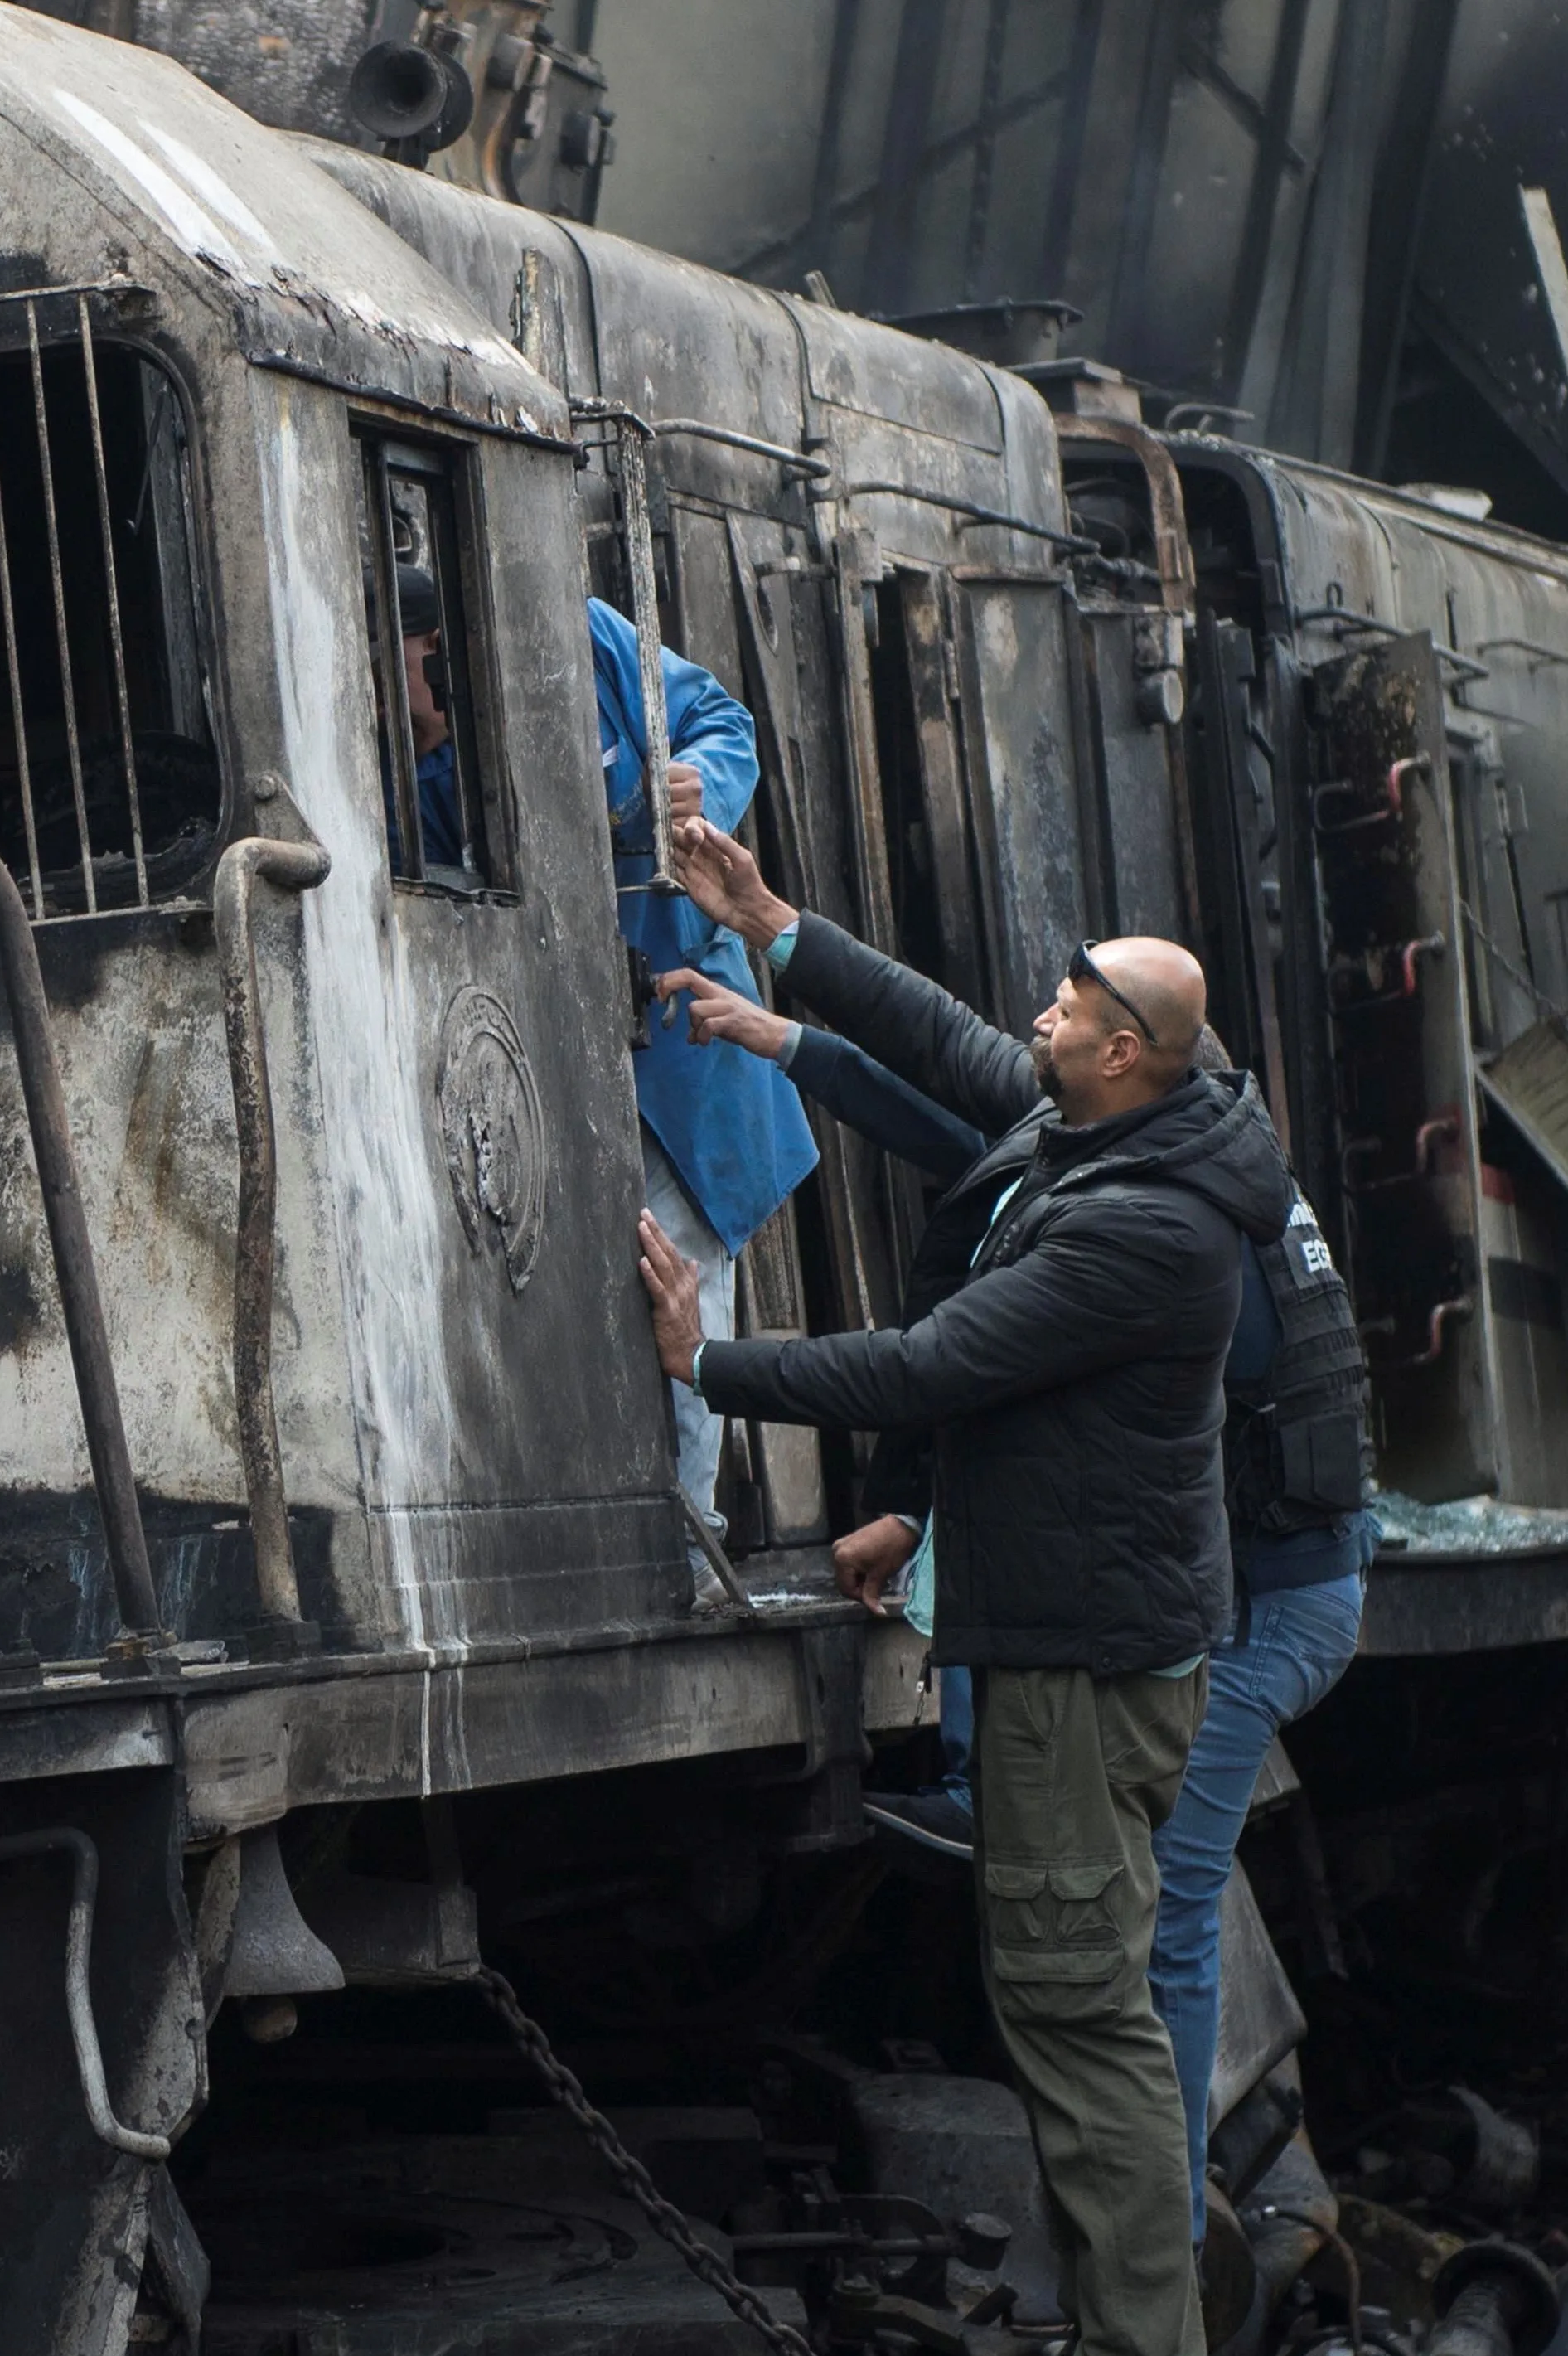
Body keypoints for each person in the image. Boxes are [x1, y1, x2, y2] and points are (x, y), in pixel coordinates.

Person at [648, 818, 1372, 2242]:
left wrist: (705, 1365)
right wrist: (774, 926)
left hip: (1265, 1603)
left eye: (1066, 1014)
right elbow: (943, 1054)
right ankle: (1151, 2234)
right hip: (1204, 1585)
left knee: (1154, 1920)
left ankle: (1161, 2249)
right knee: (1125, 1914)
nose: (1034, 1026)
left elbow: (945, 1367)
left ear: (1123, 1062)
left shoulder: (1163, 1232)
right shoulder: (1142, 1123)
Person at [407, 568, 820, 1522]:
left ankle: (691, 1531)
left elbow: (723, 721)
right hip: (527, 1065)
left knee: (677, 1275)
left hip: (673, 1043)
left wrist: (696, 784)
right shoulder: (418, 777)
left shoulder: (580, 630)